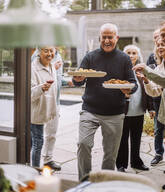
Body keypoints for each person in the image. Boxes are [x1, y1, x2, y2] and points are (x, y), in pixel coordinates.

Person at [73, 23, 138, 181]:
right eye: (104, 37)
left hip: (114, 113)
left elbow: (132, 83)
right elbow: (79, 80)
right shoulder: (90, 57)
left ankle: (104, 184)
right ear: (99, 38)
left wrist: (128, 89)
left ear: (116, 38)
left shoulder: (124, 59)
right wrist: (77, 79)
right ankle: (84, 181)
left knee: (110, 153)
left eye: (110, 37)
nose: (107, 40)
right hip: (90, 109)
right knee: (83, 144)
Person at [116, 45, 151, 172]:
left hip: (139, 111)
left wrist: (151, 108)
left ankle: (136, 162)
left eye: (134, 53)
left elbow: (148, 91)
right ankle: (121, 164)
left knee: (136, 139)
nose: (131, 55)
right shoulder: (120, 70)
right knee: (122, 140)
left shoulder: (142, 71)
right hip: (123, 112)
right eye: (128, 53)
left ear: (138, 56)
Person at [31, 46, 61, 170]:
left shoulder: (51, 66)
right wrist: (41, 88)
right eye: (46, 51)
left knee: (45, 138)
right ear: (39, 52)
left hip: (49, 108)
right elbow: (29, 94)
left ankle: (45, 162)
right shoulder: (33, 68)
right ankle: (35, 170)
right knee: (38, 143)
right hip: (37, 111)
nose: (49, 54)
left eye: (51, 51)